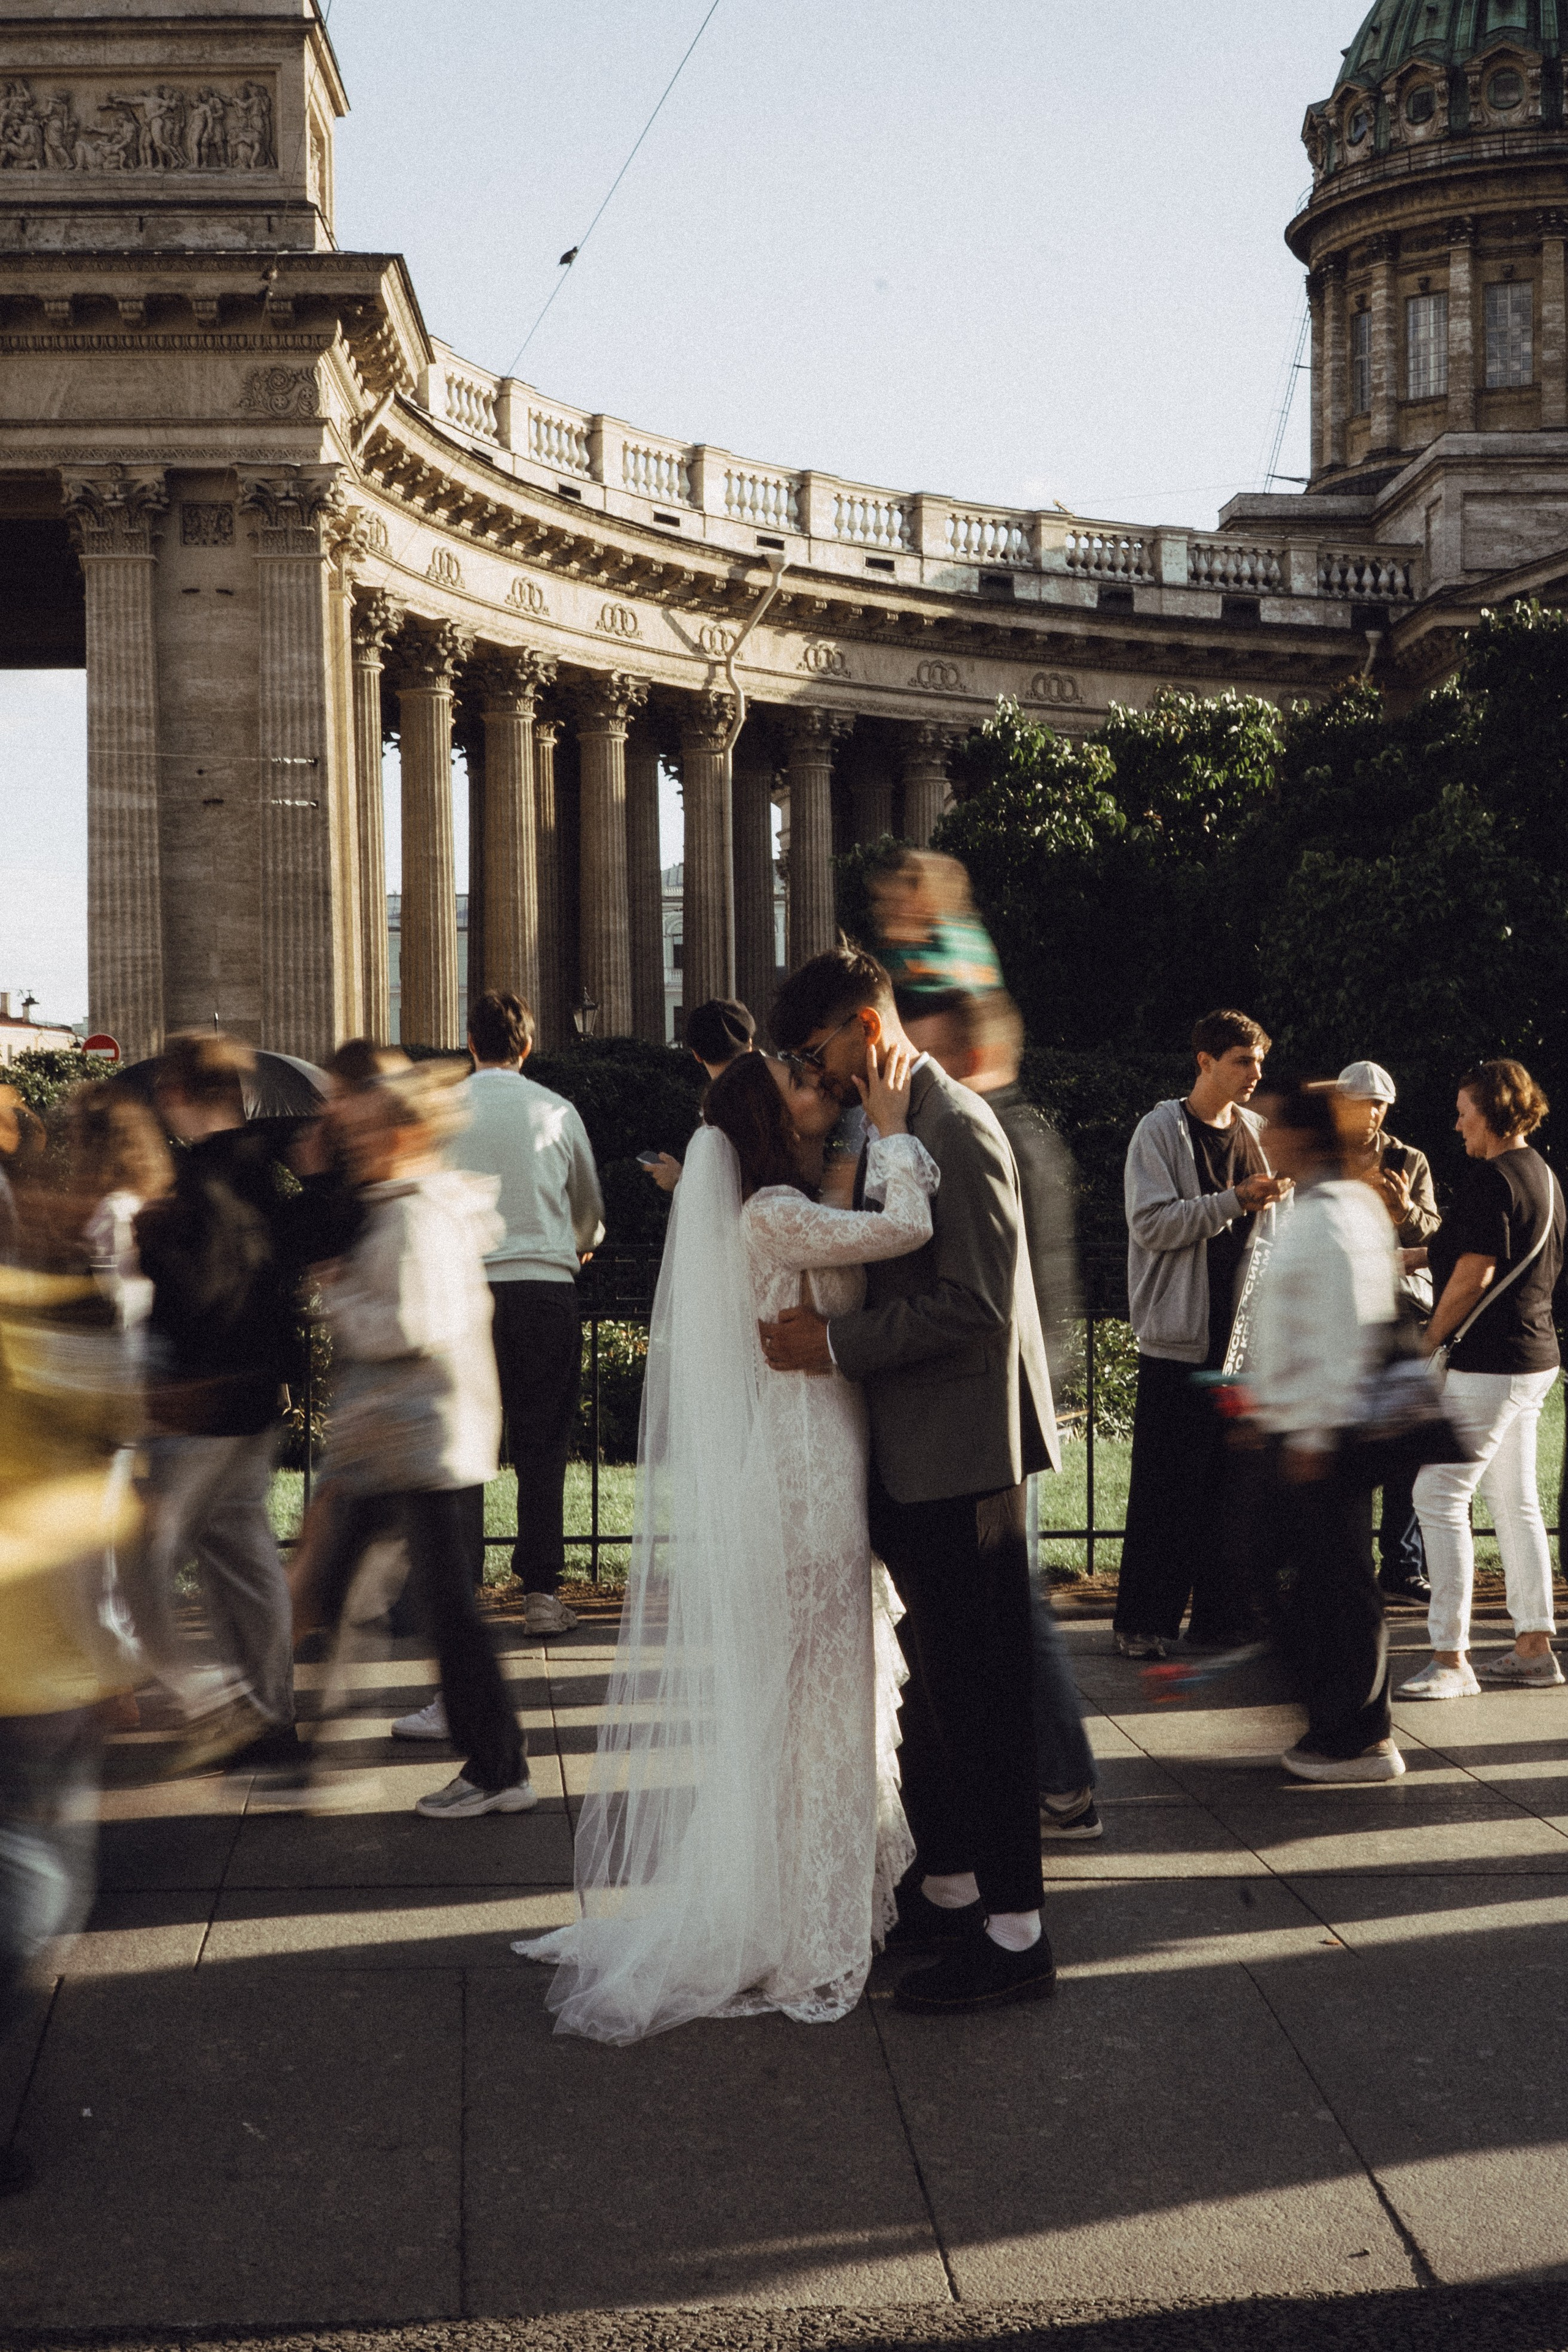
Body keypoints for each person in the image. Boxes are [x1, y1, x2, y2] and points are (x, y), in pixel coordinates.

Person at [517, 1041, 936, 2040]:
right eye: (794, 1079)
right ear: (763, 1113)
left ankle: (798, 1896)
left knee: (810, 1692)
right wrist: (894, 1130)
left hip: (809, 1453)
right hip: (803, 1469)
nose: (812, 1086)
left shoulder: (775, 1209)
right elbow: (907, 1225)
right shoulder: (771, 1216)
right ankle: (804, 1917)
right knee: (816, 1688)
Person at [761, 946, 1058, 2015]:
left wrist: (835, 1344)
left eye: (813, 1049)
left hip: (966, 1460)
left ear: (862, 1027)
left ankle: (1018, 1937)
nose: (813, 1070)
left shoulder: (955, 1124)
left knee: (983, 1699)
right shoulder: (892, 1126)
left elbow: (975, 1306)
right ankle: (953, 1884)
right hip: (917, 1454)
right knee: (938, 1695)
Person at [306, 1060, 533, 1817]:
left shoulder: (415, 1213)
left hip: (418, 1436)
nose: (357, 1142)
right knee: (362, 1591)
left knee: (445, 1615)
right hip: (404, 1434)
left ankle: (499, 1768)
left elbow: (411, 1324)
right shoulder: (418, 1201)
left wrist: (338, 1297)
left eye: (369, 1130)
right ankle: (323, 1751)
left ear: (404, 1133)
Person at [906, 989, 1099, 1841]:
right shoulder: (1019, 1129)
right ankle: (1056, 1778)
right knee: (1013, 1601)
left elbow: (993, 1290)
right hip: (1020, 1393)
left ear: (966, 1052)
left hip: (1002, 1405)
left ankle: (1062, 1782)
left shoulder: (985, 1131)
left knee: (1015, 1606)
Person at [127, 1033, 334, 1768]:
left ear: (178, 1094)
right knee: (242, 1561)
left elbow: (198, 1291)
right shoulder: (260, 1168)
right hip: (260, 1397)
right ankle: (271, 1718)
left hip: (203, 1405)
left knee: (142, 1556)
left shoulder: (192, 1190)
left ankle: (208, 1698)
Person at [433, 991, 603, 1662]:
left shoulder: (445, 1111)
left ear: (469, 1043)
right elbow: (588, 1207)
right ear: (527, 1047)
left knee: (466, 1444)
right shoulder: (557, 1111)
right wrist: (577, 1242)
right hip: (544, 1289)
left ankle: (463, 1589)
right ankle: (540, 1593)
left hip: (466, 1289)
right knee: (543, 1444)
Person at [1115, 1010, 1290, 1660]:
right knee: (1166, 1489)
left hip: (1243, 1344)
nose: (1254, 1074)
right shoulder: (1159, 1130)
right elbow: (1151, 1224)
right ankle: (1143, 1624)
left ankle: (1222, 1620)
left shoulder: (1259, 1134)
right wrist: (1232, 1202)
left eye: (1259, 1062)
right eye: (1242, 1061)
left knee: (1231, 1492)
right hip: (1178, 1341)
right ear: (1204, 1062)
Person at [1248, 1081, 1405, 1784]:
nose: (1262, 1133)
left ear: (1301, 1138)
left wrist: (1311, 1433)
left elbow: (1345, 1326)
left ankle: (1358, 1733)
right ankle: (1345, 1721)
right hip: (1304, 1426)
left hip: (1321, 1435)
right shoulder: (1334, 1204)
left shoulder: (1331, 1212)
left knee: (1335, 1583)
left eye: (1273, 1125)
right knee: (1326, 1580)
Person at [1399, 1060, 1565, 1700]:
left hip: (1491, 1364)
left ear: (1491, 1113)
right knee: (1515, 1502)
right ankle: (1532, 1647)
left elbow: (1477, 1272)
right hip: (1536, 1359)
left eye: (1464, 1110)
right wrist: (1420, 1253)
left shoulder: (1489, 1178)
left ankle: (1450, 1659)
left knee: (1436, 1495)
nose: (1457, 1122)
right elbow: (1500, 1250)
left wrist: (1427, 1340)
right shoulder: (1542, 1175)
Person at [1336, 1060, 1441, 1607]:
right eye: (1362, 1101)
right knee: (1344, 1446)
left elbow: (1437, 1233)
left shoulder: (1409, 1159)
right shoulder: (1326, 1157)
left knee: (1404, 1448)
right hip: (1343, 1314)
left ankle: (1402, 1566)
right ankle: (1343, 1569)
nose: (1372, 1112)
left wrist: (1404, 1213)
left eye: (1380, 1104)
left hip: (1400, 1313)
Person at [866, 847, 1005, 1024]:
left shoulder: (949, 944)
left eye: (897, 901)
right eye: (882, 901)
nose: (882, 910)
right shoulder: (972, 937)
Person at [643, 997, 756, 1194]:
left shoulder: (719, 1108)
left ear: (696, 1055)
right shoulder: (778, 1092)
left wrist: (679, 1180)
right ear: (750, 1044)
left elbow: (724, 1193)